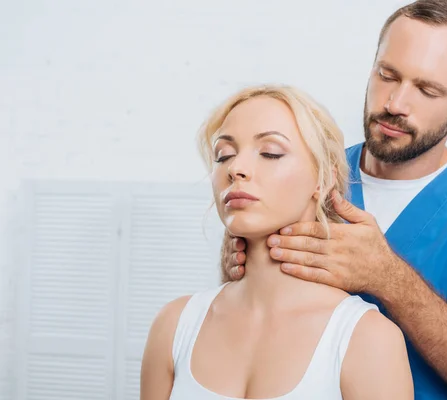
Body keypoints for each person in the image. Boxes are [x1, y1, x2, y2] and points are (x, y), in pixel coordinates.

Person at [221, 1, 447, 399]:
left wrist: (388, 280)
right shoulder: (307, 175)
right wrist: (236, 268)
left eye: (427, 90)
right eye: (387, 75)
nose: (395, 104)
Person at [140, 85, 414, 400]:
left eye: (270, 152)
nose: (236, 169)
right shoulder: (173, 326)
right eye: (223, 155)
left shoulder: (368, 339)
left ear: (323, 180)